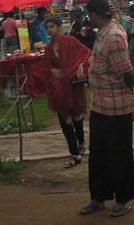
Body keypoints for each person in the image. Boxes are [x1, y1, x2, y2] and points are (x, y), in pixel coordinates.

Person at [78, 0, 134, 218]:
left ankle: (122, 199)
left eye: (89, 15)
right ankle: (98, 197)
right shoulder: (103, 34)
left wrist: (127, 91)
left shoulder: (113, 37)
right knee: (99, 153)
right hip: (100, 105)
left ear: (94, 15)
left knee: (118, 153)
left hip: (116, 107)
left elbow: (126, 71)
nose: (88, 18)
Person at [43, 16, 92, 168]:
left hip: (73, 83)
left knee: (77, 114)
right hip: (59, 87)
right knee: (65, 118)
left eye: (52, 26)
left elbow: (87, 53)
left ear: (59, 27)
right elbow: (46, 66)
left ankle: (81, 142)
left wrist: (79, 67)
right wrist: (53, 70)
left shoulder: (71, 42)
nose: (50, 30)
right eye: (48, 27)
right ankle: (75, 152)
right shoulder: (49, 49)